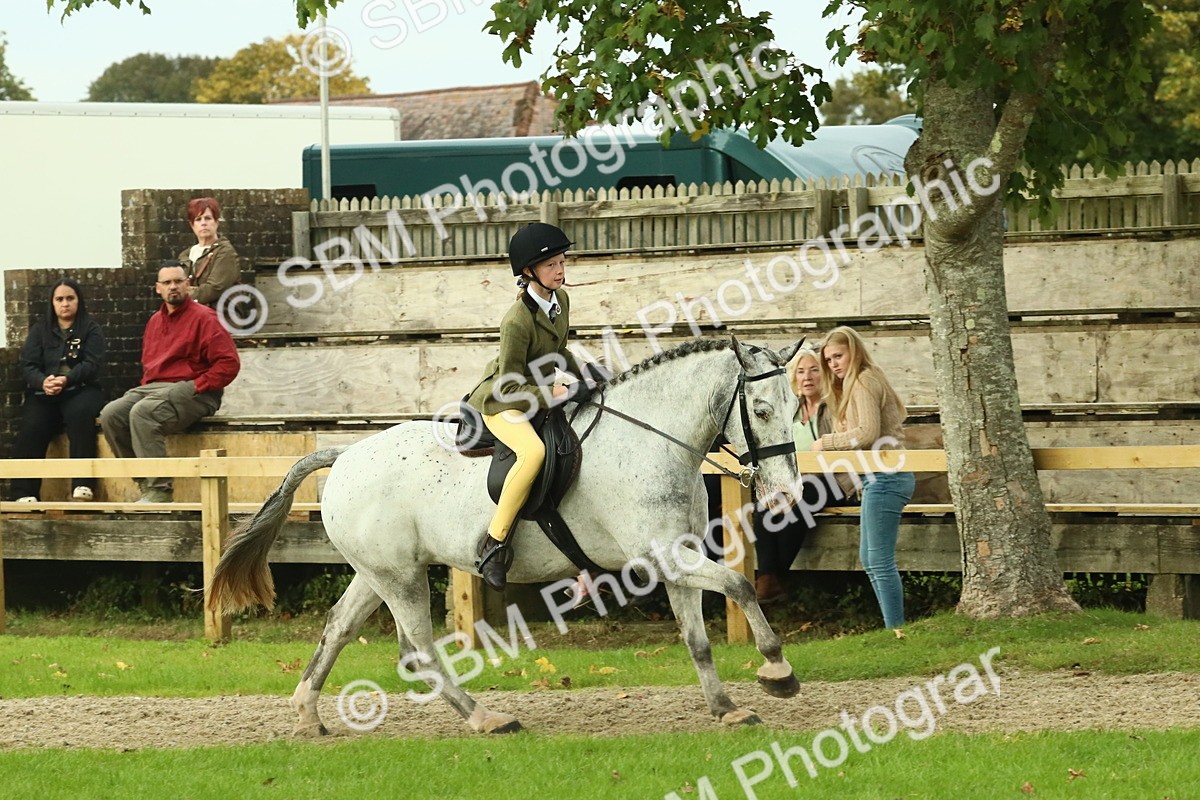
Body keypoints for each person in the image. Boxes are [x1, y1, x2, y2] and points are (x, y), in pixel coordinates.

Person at [464, 222, 591, 591]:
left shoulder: (561, 300)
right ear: (528, 271)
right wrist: (555, 393)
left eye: (562, 261)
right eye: (551, 264)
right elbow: (509, 385)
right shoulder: (516, 320)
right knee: (533, 452)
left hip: (535, 391)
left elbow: (559, 350)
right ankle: (494, 543)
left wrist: (584, 376)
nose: (560, 270)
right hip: (502, 401)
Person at [99, 262, 240, 503]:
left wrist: (197, 385)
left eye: (178, 281)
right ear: (158, 288)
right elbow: (149, 365)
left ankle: (160, 491)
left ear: (188, 284)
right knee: (110, 414)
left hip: (195, 388)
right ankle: (145, 482)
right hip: (154, 387)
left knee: (143, 413)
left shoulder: (205, 318)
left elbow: (229, 364)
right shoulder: (155, 321)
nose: (173, 286)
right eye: (167, 282)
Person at [813, 326, 914, 634]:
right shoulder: (854, 383)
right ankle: (892, 629)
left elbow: (867, 433)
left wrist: (826, 442)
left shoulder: (865, 380)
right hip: (874, 477)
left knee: (879, 561)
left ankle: (896, 630)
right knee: (869, 559)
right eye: (829, 360)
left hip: (888, 477)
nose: (834, 364)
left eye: (838, 356)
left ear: (854, 352)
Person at [8, 279, 106, 502]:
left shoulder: (91, 329)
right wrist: (43, 382)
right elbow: (28, 365)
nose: (65, 304)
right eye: (59, 299)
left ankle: (82, 484)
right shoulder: (40, 330)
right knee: (32, 425)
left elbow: (92, 364)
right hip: (46, 391)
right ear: (52, 303)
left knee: (80, 415)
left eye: (70, 298)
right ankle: (24, 493)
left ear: (78, 301)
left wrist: (67, 379)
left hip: (81, 388)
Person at [753, 342, 836, 604]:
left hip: (830, 480)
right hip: (793, 479)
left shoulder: (833, 406)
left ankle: (773, 579)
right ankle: (768, 579)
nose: (807, 377)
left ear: (824, 374)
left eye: (814, 370)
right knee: (765, 503)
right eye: (801, 371)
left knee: (798, 502)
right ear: (794, 377)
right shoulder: (790, 410)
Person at [177, 197, 239, 307]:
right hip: (192, 313)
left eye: (208, 218)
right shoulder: (185, 255)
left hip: (219, 314)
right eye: (198, 219)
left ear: (216, 222)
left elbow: (214, 289)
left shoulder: (225, 251)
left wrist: (180, 294)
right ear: (192, 225)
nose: (203, 223)